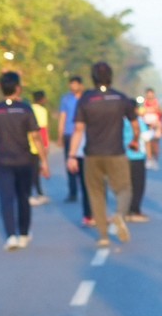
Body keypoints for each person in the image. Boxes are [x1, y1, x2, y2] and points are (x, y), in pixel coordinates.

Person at [69, 62, 138, 249]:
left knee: (96, 194)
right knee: (124, 189)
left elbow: (78, 129)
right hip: (116, 152)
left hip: (92, 154)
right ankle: (119, 214)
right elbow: (135, 124)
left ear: (92, 78)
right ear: (111, 77)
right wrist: (135, 140)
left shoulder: (86, 99)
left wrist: (72, 155)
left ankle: (103, 236)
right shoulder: (121, 98)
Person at [0, 71, 39, 249]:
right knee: (23, 197)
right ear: (18, 88)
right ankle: (24, 233)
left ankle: (11, 236)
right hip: (24, 160)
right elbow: (35, 136)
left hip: (3, 160)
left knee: (6, 199)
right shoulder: (25, 108)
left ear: (1, 88)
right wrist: (44, 160)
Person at [59, 76, 85, 204]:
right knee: (70, 164)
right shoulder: (66, 99)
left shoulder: (86, 98)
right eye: (71, 84)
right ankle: (72, 192)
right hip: (69, 134)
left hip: (83, 135)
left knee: (84, 164)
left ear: (80, 85)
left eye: (75, 84)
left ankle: (85, 190)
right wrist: (60, 135)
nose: (73, 86)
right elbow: (62, 117)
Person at [27, 89, 54, 204]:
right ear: (42, 99)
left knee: (32, 169)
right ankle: (33, 193)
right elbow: (42, 129)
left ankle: (37, 192)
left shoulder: (28, 108)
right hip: (36, 144)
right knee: (35, 170)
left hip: (26, 143)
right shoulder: (42, 110)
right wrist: (45, 144)